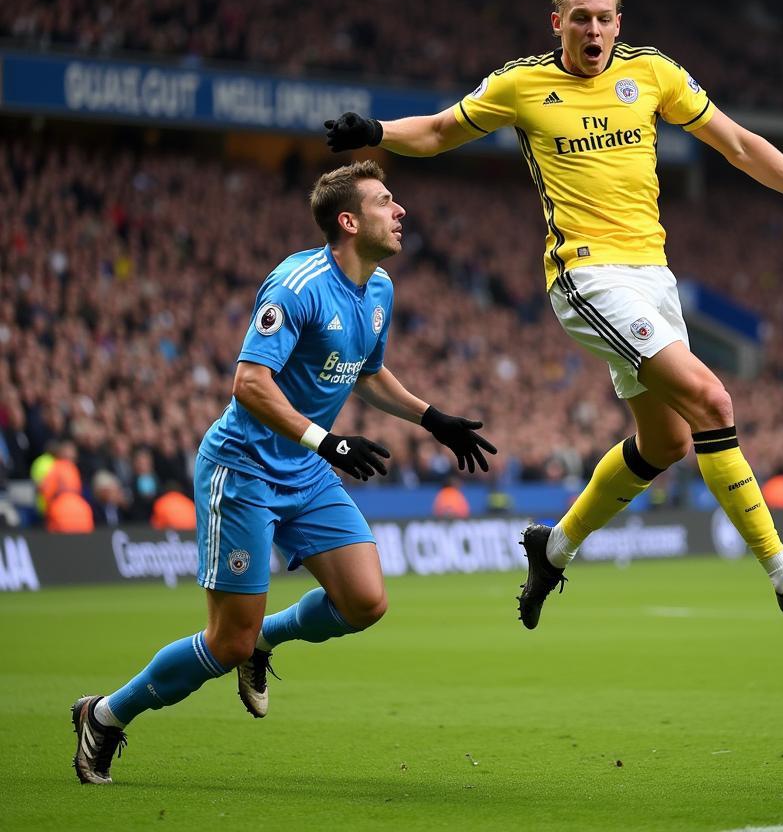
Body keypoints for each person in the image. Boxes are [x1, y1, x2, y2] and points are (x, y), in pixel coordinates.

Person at [324, 0, 783, 631]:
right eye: (580, 18)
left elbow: (738, 144)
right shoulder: (523, 84)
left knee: (666, 444)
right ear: (558, 23)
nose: (592, 28)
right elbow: (443, 130)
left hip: (655, 277)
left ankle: (553, 545)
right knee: (713, 400)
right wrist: (378, 134)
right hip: (587, 275)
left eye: (604, 18)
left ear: (618, 24)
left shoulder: (651, 71)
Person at [71, 161, 496, 785]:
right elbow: (249, 382)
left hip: (307, 466)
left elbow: (369, 373)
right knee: (227, 643)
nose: (401, 211)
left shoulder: (379, 288)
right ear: (349, 222)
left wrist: (431, 419)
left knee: (366, 602)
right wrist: (328, 441)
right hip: (243, 470)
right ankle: (106, 715)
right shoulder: (298, 284)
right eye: (385, 202)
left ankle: (267, 639)